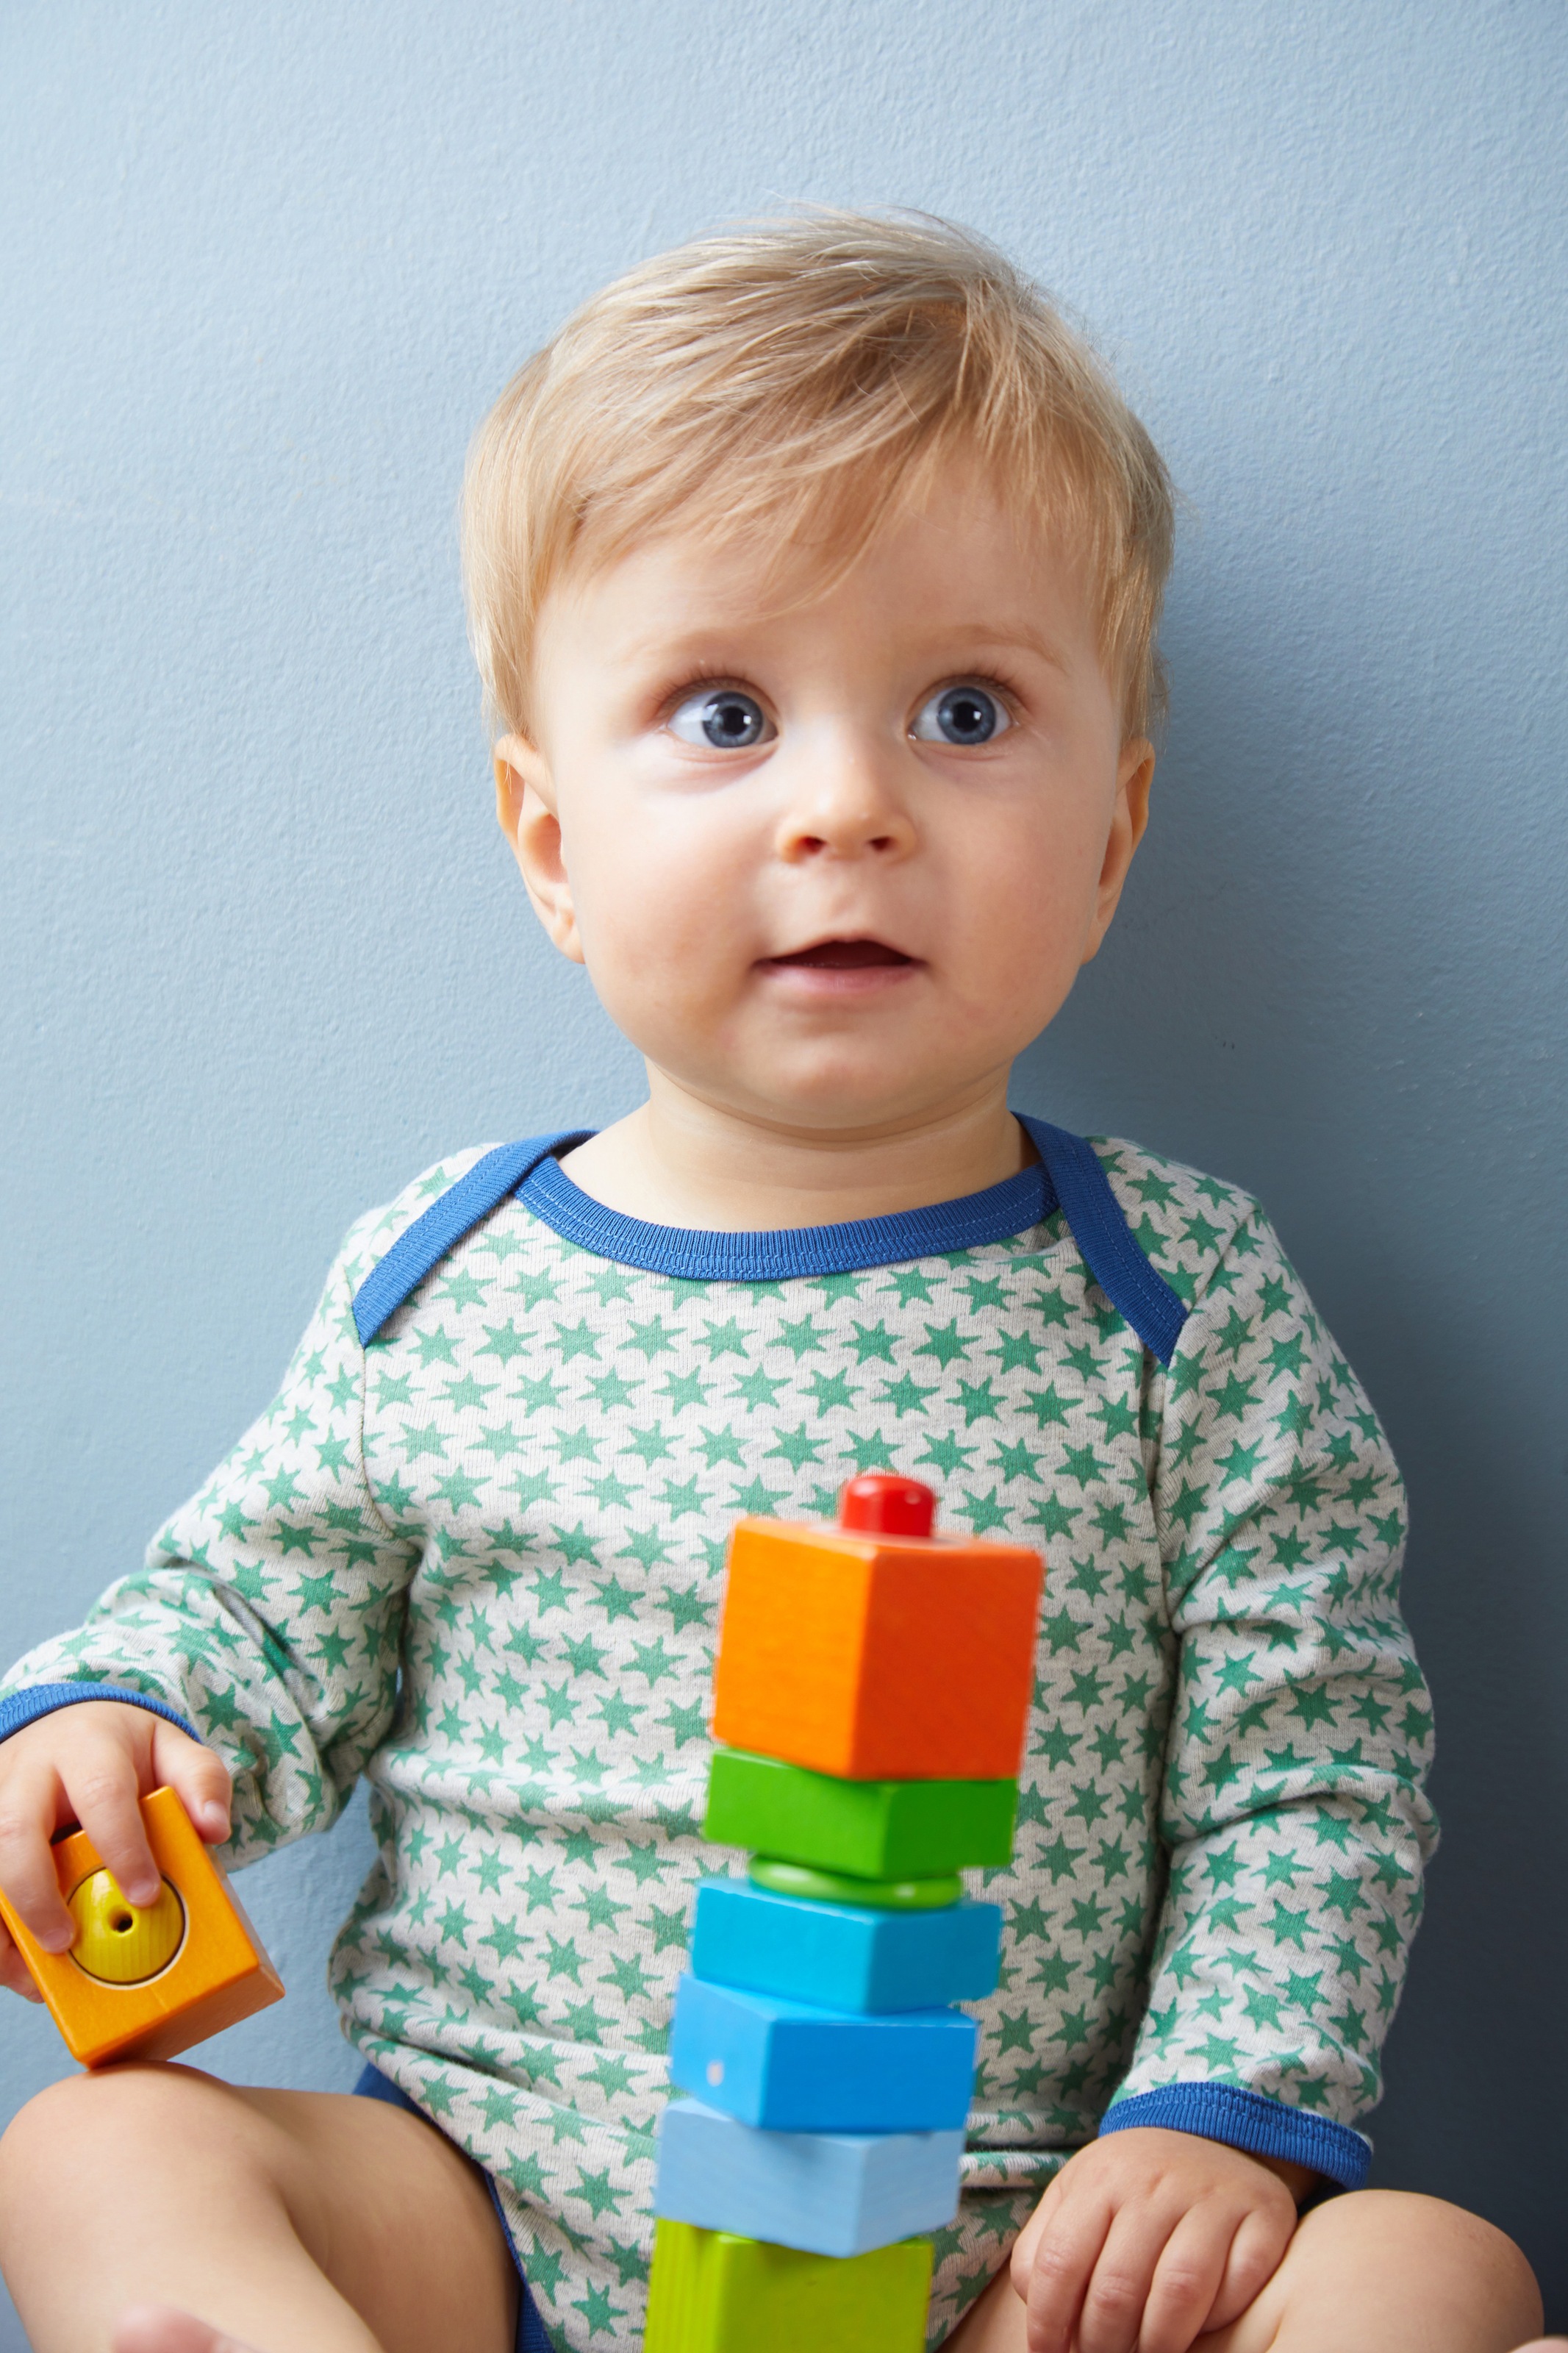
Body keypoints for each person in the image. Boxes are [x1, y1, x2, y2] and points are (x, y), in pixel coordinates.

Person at [0, 213, 1543, 2353]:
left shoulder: (1178, 1299)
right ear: (552, 844)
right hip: (486, 2227)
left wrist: (1221, 2120)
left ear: (1113, 833)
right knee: (93, 2153)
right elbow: (257, 1607)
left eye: (968, 710)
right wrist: (121, 1721)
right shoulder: (445, 1273)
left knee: (1429, 2272)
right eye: (725, 713)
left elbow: (1317, 1763)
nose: (849, 807)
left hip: (1021, 2265)